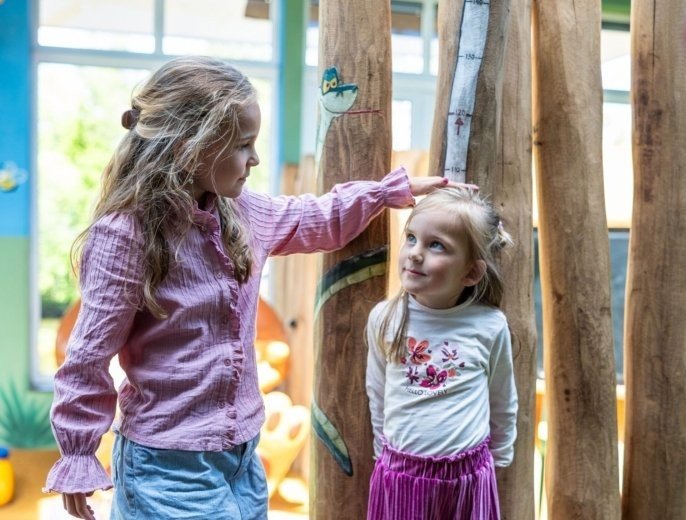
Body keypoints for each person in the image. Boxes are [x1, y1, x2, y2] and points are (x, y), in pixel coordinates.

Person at [43, 55, 464, 520]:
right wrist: (79, 451)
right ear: (191, 146)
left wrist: (387, 193)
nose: (255, 158)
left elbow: (314, 216)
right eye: (244, 144)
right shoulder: (127, 234)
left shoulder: (242, 214)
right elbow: (86, 357)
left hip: (243, 455)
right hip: (169, 465)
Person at [365, 187, 518, 520]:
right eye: (411, 238)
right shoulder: (385, 318)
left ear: (471, 272)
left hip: (467, 480)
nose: (415, 253)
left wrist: (499, 461)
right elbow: (377, 394)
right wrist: (383, 455)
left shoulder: (489, 325)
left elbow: (502, 399)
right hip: (401, 477)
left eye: (436, 245)